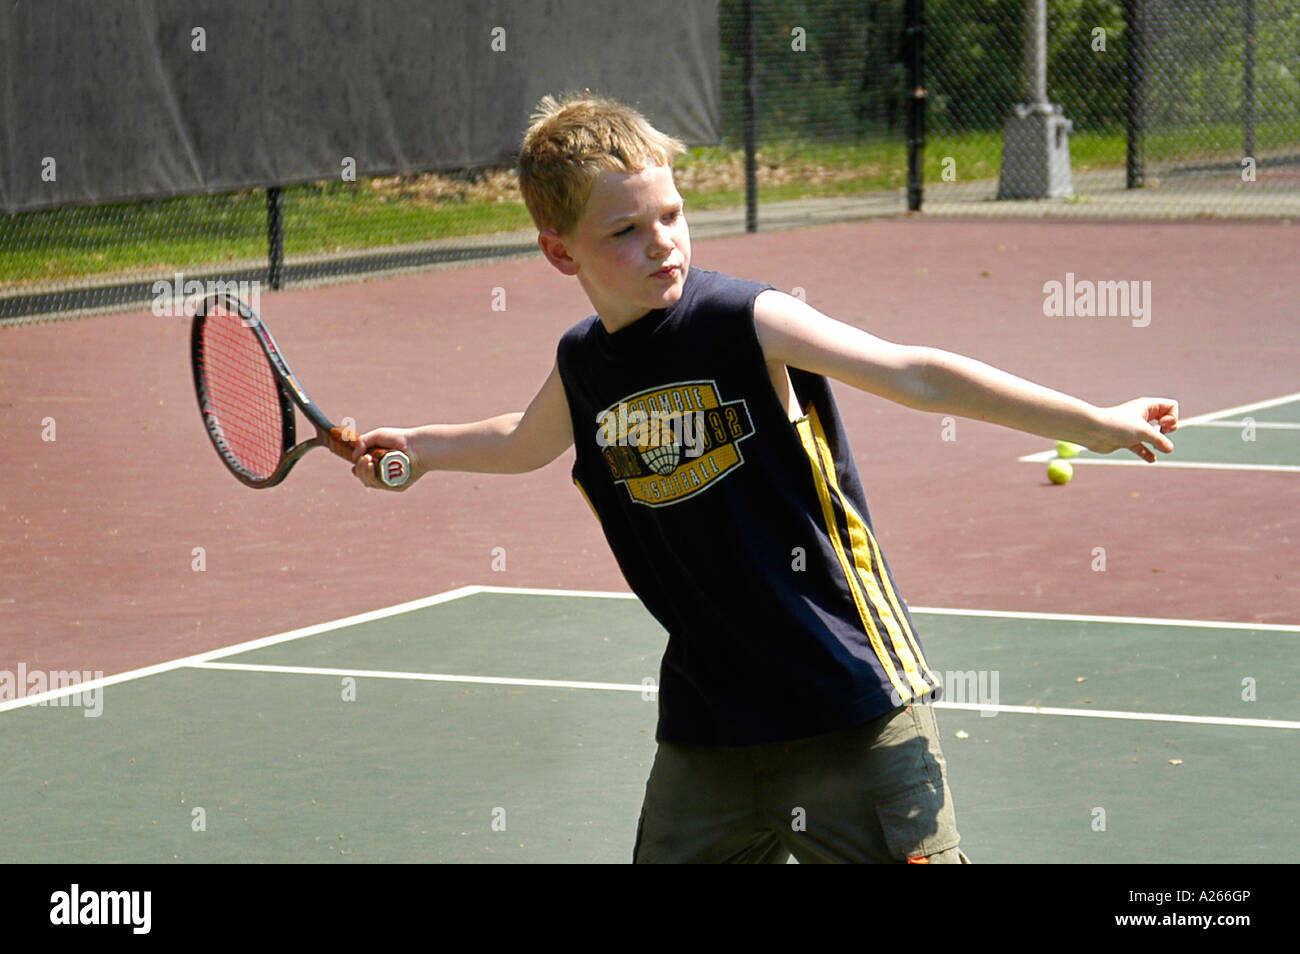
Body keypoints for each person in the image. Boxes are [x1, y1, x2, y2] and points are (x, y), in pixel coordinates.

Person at [351, 93, 1178, 863]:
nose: (663, 241)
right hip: (711, 728)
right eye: (626, 230)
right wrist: (420, 451)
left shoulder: (745, 320)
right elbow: (524, 441)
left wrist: (1095, 423)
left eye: (671, 214)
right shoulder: (584, 365)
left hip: (849, 708)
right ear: (559, 250)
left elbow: (915, 372)